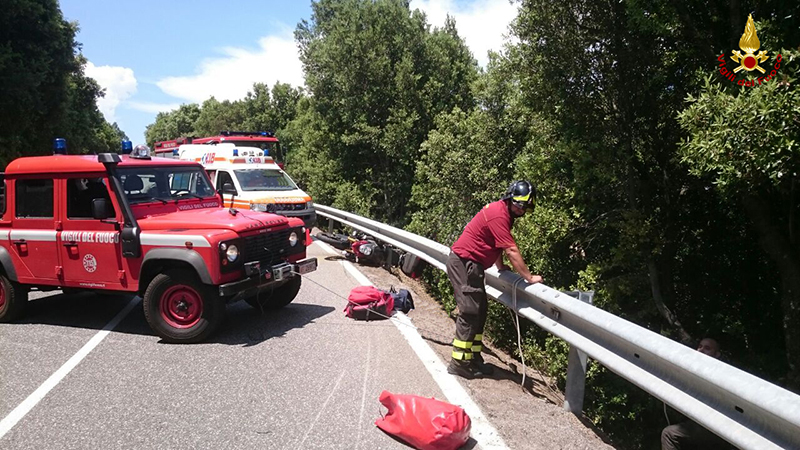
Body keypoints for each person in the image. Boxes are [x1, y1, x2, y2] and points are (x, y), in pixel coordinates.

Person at [446, 180, 544, 379]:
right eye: (519, 205)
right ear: (510, 199)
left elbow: (495, 243)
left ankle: (473, 357)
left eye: (525, 207)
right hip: (465, 263)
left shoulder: (503, 212)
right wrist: (528, 277)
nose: (522, 210)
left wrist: (499, 267)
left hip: (473, 265)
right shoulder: (499, 215)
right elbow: (511, 249)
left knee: (480, 310)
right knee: (470, 311)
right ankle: (459, 363)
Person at [661, 337, 730, 450]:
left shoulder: (720, 373)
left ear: (717, 354)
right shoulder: (692, 370)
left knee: (669, 434)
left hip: (716, 427)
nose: (701, 350)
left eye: (707, 348)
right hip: (699, 423)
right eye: (700, 346)